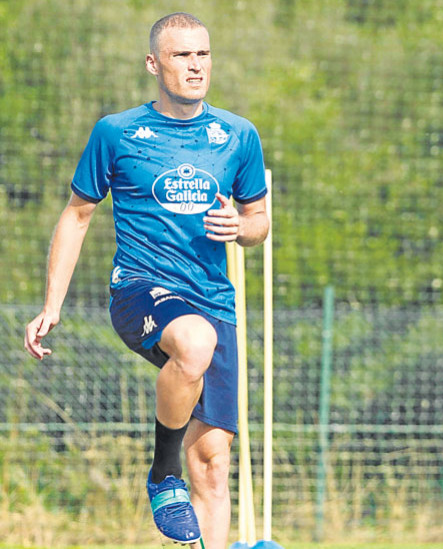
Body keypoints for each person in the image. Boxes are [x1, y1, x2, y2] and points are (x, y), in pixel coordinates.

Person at [23, 13, 268, 548]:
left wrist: (243, 227)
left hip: (215, 299)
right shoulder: (116, 132)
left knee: (213, 461)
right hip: (141, 288)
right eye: (182, 56)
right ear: (154, 64)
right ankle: (162, 474)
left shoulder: (238, 135)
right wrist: (51, 305)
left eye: (202, 54)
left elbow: (259, 221)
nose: (195, 65)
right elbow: (77, 215)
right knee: (194, 342)